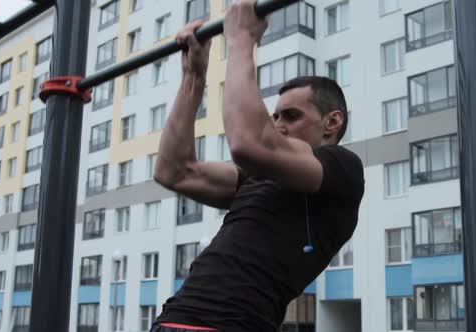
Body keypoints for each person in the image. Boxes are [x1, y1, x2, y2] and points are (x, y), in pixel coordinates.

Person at [151, 1, 365, 331]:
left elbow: (248, 143)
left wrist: (242, 39)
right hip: (174, 320)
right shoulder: (256, 177)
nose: (278, 125)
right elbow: (173, 170)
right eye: (274, 116)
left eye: (292, 116)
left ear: (331, 122)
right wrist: (194, 76)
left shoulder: (343, 170)